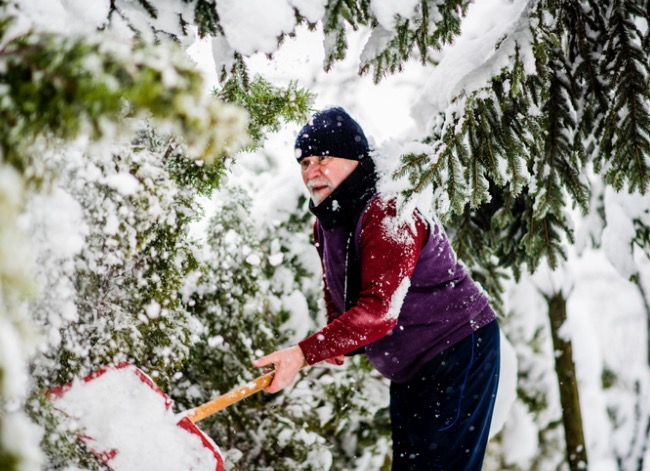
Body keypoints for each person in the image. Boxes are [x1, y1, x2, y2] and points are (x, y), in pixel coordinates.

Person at [253, 107, 500, 470]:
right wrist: (332, 340)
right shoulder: (328, 219)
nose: (312, 171)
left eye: (324, 157)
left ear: (353, 158)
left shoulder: (387, 210)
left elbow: (379, 310)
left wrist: (304, 353)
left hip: (456, 351)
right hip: (412, 368)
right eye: (304, 162)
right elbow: (336, 282)